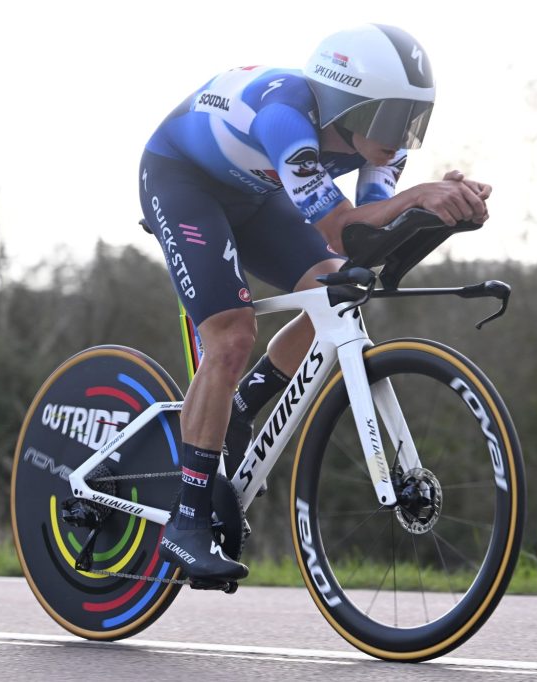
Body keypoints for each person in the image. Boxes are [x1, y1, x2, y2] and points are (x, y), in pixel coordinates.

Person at [139, 24, 491, 581]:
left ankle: (244, 403)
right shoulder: (287, 116)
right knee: (230, 336)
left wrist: (444, 211)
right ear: (349, 104)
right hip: (183, 183)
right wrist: (421, 196)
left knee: (340, 288)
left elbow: (368, 242)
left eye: (413, 117)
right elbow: (340, 228)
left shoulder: (377, 146)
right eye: (392, 117)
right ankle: (186, 523)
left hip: (258, 194)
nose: (402, 135)